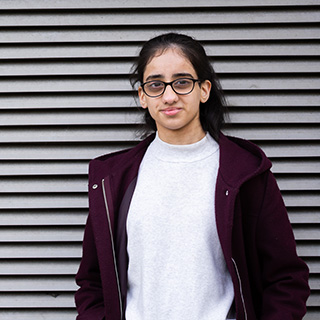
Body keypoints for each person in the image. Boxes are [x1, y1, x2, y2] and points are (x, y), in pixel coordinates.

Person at [75, 33, 310, 320]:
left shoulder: (245, 173)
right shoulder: (113, 179)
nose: (169, 96)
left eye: (182, 82)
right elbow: (92, 280)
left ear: (204, 90)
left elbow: (285, 278)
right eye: (156, 85)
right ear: (142, 97)